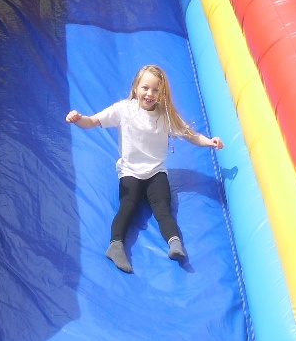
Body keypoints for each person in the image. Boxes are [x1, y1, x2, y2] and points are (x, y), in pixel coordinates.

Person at [66, 64, 224, 274]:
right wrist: (79, 119)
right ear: (136, 88)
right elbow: (93, 121)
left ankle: (175, 243)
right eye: (145, 88)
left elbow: (190, 134)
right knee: (128, 205)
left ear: (162, 93)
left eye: (156, 90)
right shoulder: (124, 110)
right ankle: (116, 245)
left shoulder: (165, 116)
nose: (149, 94)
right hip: (130, 170)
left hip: (155, 171)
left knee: (163, 208)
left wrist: (209, 142)